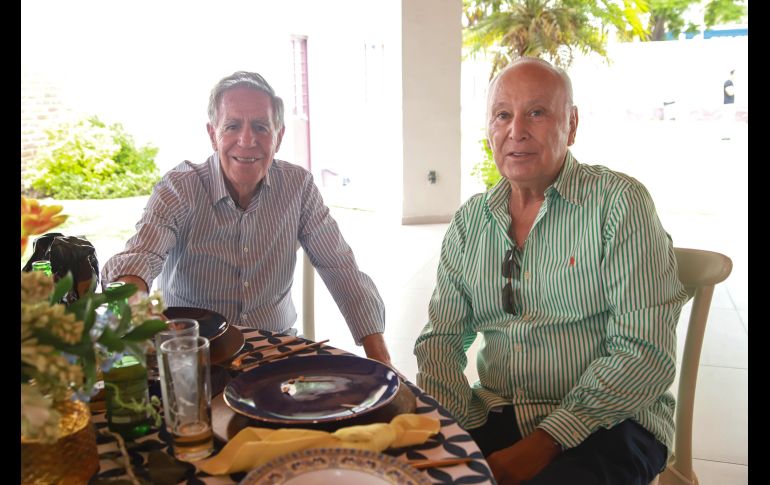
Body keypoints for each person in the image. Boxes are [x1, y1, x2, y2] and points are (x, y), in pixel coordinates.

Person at [414, 57, 688, 485]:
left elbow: (643, 353)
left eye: (537, 113)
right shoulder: (471, 223)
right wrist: (455, 429)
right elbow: (441, 341)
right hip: (499, 409)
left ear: (572, 125)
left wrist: (541, 445)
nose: (516, 130)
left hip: (612, 423)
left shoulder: (617, 205)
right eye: (502, 114)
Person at [102, 71, 391, 363]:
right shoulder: (180, 189)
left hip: (277, 352)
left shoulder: (298, 187)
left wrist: (383, 361)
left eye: (261, 127)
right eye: (232, 126)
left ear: (278, 137)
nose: (247, 139)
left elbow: (341, 268)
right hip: (197, 356)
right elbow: (139, 257)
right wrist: (139, 309)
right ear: (212, 134)